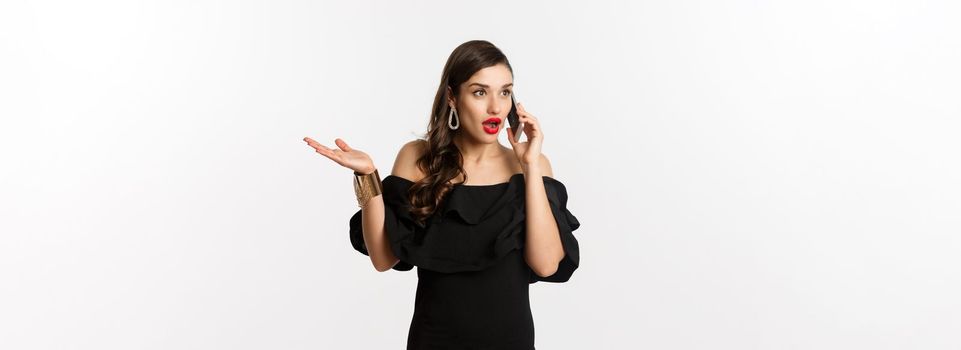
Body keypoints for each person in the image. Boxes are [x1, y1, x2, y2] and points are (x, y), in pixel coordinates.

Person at [303, 40, 581, 350]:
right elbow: (383, 258)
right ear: (452, 96)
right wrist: (367, 176)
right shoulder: (417, 158)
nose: (496, 106)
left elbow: (546, 265)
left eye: (505, 92)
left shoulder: (533, 165)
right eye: (480, 92)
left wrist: (528, 167)